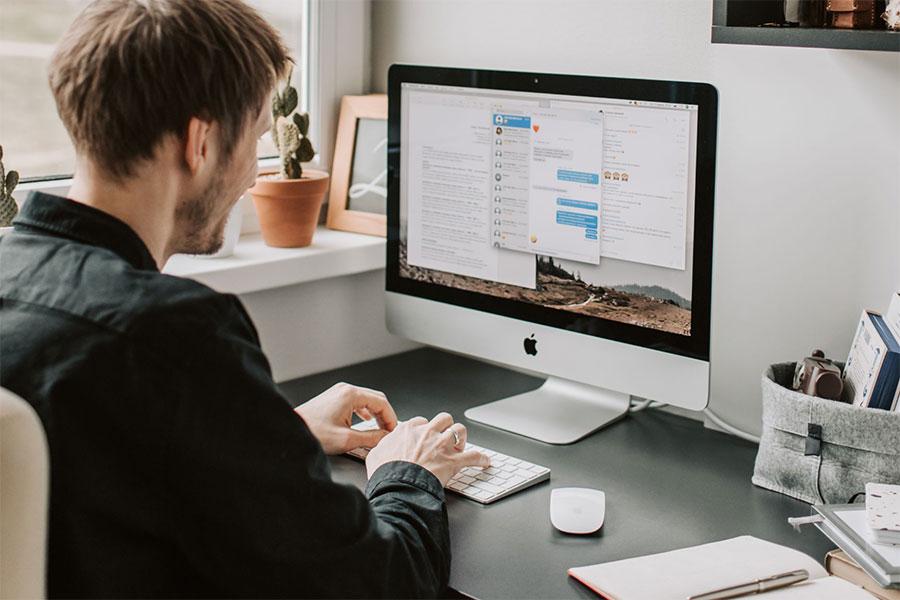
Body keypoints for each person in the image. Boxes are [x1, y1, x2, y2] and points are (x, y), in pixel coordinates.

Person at [0, 1, 489, 597]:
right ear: (200, 142)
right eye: (257, 139)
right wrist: (406, 472)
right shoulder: (174, 336)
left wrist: (270, 436)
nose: (253, 177)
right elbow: (377, 586)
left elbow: (98, 462)